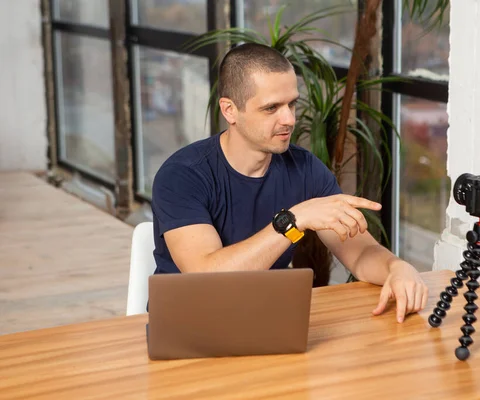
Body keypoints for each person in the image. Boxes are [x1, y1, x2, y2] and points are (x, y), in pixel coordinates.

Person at [151, 43, 428, 323]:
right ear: (230, 110)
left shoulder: (305, 169)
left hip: (264, 321)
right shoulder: (182, 175)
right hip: (188, 323)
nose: (289, 119)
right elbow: (208, 278)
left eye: (292, 104)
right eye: (271, 108)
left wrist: (397, 268)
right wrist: (293, 221)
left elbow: (360, 253)